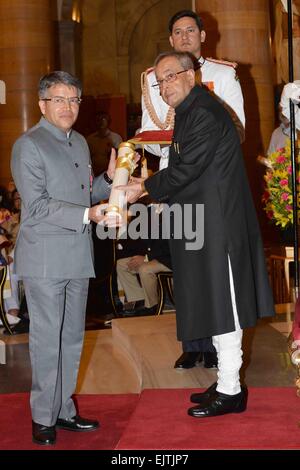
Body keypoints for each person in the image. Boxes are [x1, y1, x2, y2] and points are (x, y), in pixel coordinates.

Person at [119, 51, 275, 418]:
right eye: (159, 82)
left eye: (171, 76)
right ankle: (225, 378)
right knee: (216, 300)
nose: (165, 87)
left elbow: (187, 169)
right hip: (206, 222)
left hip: (221, 226)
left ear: (192, 74)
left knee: (227, 303)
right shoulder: (192, 112)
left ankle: (231, 388)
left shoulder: (203, 112)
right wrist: (147, 184)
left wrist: (143, 188)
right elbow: (187, 168)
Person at [11, 71, 115, 445]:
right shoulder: (29, 145)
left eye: (74, 99)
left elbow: (83, 196)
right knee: (46, 339)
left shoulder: (79, 145)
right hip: (44, 259)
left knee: (71, 338)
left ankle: (64, 410)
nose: (68, 107)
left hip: (76, 254)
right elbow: (36, 207)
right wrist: (88, 215)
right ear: (42, 104)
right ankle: (42, 417)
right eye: (59, 99)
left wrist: (110, 181)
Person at [141, 9, 245, 370]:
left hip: (206, 183)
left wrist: (188, 142)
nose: (184, 36)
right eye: (177, 31)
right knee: (186, 266)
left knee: (214, 268)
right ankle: (193, 340)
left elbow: (237, 127)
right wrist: (169, 145)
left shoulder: (223, 74)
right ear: (170, 39)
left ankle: (221, 350)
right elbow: (149, 140)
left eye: (190, 30)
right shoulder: (154, 78)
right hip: (175, 183)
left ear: (203, 35)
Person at [117, 205, 172, 317]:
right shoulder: (148, 210)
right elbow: (141, 239)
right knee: (122, 264)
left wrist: (146, 258)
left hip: (172, 258)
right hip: (157, 256)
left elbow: (171, 244)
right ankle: (140, 301)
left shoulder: (173, 209)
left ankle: (152, 306)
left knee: (145, 269)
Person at [87, 111, 122, 176]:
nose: (101, 122)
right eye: (98, 120)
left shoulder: (116, 138)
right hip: (94, 172)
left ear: (108, 121)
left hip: (111, 172)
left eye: (103, 119)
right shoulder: (90, 139)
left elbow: (120, 156)